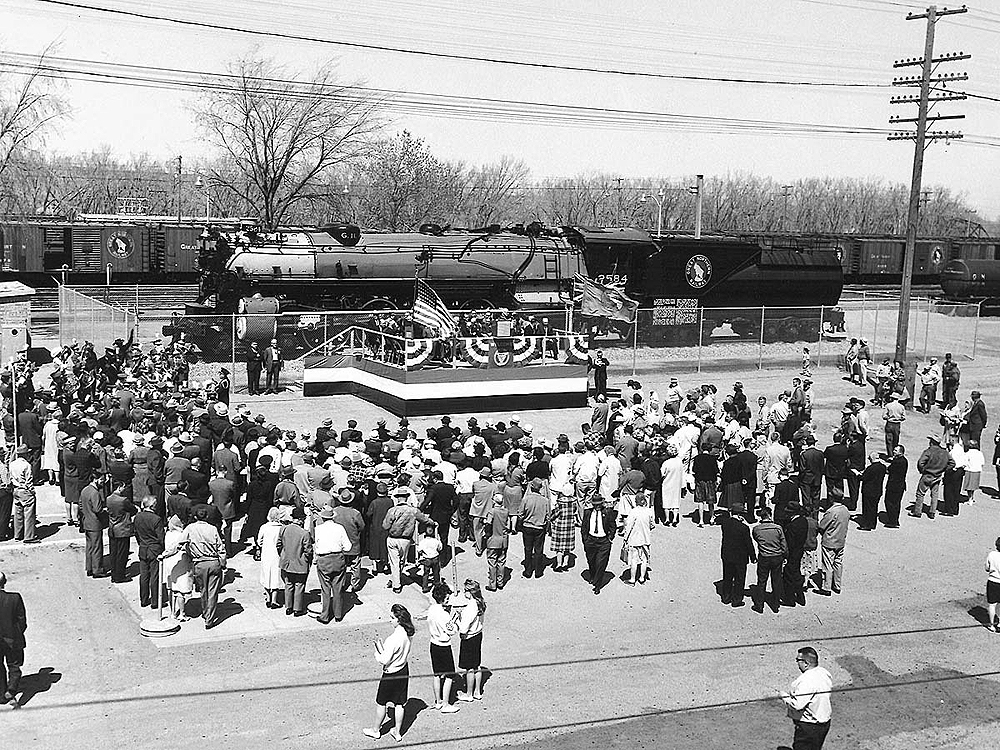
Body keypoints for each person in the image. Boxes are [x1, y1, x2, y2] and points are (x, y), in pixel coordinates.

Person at [363, 603, 415, 742]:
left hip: (391, 673)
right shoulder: (408, 633)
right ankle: (397, 731)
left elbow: (384, 660)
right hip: (403, 669)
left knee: (381, 702)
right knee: (400, 703)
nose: (390, 620)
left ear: (399, 619)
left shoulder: (392, 639)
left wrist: (377, 653)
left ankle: (375, 730)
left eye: (392, 617)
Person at [178, 505, 227, 629]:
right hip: (213, 562)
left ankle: (206, 612)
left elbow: (180, 543)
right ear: (207, 517)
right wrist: (223, 563)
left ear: (195, 517)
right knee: (213, 592)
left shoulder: (190, 528)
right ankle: (209, 617)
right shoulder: (213, 529)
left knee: (203, 590)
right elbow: (220, 547)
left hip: (199, 563)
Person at [779, 646, 833, 750]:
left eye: (798, 660)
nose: (797, 663)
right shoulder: (824, 673)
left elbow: (797, 705)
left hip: (809, 726)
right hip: (824, 723)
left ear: (806, 663)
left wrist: (784, 697)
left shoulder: (806, 680)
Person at [313, 506, 352, 624]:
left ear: (323, 517)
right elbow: (348, 546)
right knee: (338, 588)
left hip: (324, 559)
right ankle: (338, 614)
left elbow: (316, 544)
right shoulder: (340, 528)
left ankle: (325, 615)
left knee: (325, 589)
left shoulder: (318, 529)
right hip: (338, 558)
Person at [427, 582, 460, 713]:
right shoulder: (444, 614)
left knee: (437, 674)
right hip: (444, 645)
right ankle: (446, 704)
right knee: (450, 675)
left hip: (433, 643)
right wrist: (455, 621)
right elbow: (451, 631)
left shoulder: (432, 609)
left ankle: (438, 701)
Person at [276, 511, 313, 617]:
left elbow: (278, 545)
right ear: (300, 519)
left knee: (288, 584)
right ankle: (297, 608)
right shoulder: (304, 533)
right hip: (300, 563)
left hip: (286, 562)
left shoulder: (284, 529)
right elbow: (308, 551)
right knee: (299, 585)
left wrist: (283, 555)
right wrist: (306, 560)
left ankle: (288, 607)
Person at [719, 505, 756, 607]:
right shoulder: (744, 528)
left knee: (727, 576)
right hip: (740, 557)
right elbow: (748, 544)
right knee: (739, 579)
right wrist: (753, 556)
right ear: (740, 515)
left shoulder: (725, 524)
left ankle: (726, 597)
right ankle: (737, 600)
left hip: (727, 555)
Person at [911, 434, 954, 519]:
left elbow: (921, 462)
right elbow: (952, 463)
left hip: (927, 474)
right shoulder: (945, 452)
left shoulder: (929, 451)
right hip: (937, 476)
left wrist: (922, 470)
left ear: (932, 442)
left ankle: (917, 511)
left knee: (920, 494)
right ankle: (932, 512)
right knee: (934, 494)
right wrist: (943, 469)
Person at [0, 571, 27, 707]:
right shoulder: (14, 598)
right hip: (12, 639)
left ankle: (1, 694)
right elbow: (22, 620)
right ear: (4, 582)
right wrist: (17, 633)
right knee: (14, 665)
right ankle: (11, 690)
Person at [456, 579, 486, 702]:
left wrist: (459, 619)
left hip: (469, 637)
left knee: (469, 668)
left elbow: (463, 629)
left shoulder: (470, 607)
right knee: (476, 665)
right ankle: (477, 691)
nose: (464, 593)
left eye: (465, 591)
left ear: (470, 592)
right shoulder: (480, 603)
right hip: (478, 634)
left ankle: (469, 694)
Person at [581, 495, 617, 594]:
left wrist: (610, 538)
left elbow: (613, 526)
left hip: (603, 541)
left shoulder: (608, 512)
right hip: (591, 541)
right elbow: (584, 527)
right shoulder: (588, 513)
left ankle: (597, 585)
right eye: (595, 504)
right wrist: (585, 540)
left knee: (601, 563)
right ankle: (593, 575)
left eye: (599, 504)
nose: (597, 506)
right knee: (591, 561)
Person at [134, 495, 165, 609]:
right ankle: (155, 601)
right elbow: (161, 537)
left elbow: (136, 533)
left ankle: (144, 599)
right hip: (154, 550)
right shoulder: (156, 519)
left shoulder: (138, 517)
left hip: (143, 549)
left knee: (144, 575)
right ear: (152, 506)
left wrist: (141, 544)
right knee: (155, 576)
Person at [161, 516, 193, 620]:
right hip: (181, 562)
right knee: (180, 590)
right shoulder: (182, 535)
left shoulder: (168, 534)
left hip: (169, 562)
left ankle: (173, 612)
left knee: (171, 588)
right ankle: (182, 614)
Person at [816, 498, 850, 596]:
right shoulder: (845, 510)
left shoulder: (831, 511)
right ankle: (837, 585)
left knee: (827, 565)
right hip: (840, 541)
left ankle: (826, 587)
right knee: (838, 563)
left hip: (830, 541)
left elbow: (822, 526)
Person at [106, 478, 136, 583]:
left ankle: (114, 574)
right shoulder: (123, 500)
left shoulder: (108, 499)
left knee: (113, 553)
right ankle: (120, 575)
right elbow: (133, 510)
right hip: (123, 529)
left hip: (112, 529)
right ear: (119, 487)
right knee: (122, 554)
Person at [519, 477, 550, 579]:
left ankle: (528, 570)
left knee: (528, 549)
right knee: (539, 550)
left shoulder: (526, 499)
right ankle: (538, 571)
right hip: (540, 527)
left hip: (527, 526)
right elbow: (548, 516)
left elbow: (520, 514)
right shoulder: (545, 501)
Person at [622, 491, 655, 585]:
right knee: (644, 559)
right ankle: (642, 578)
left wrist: (625, 538)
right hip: (646, 539)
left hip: (634, 539)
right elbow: (652, 525)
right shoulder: (649, 511)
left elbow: (628, 526)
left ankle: (632, 579)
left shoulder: (633, 512)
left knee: (634, 559)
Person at [79, 471, 108, 577]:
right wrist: (104, 511)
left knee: (89, 547)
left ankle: (89, 567)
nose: (103, 482)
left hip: (86, 521)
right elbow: (98, 509)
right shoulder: (95, 493)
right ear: (96, 480)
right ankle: (97, 570)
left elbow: (81, 505)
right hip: (95, 523)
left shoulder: (85, 490)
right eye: (101, 480)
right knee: (97, 547)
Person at [257, 507, 284, 608]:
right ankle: (274, 600)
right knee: (275, 576)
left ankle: (268, 598)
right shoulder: (281, 527)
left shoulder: (264, 527)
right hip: (277, 554)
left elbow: (259, 541)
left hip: (266, 553)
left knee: (266, 575)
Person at [10, 446, 37, 544]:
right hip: (25, 490)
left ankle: (18, 534)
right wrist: (32, 491)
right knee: (29, 514)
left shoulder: (12, 464)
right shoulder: (26, 465)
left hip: (16, 489)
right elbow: (29, 480)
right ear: (25, 454)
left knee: (18, 513)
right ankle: (29, 536)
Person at [548, 487, 578, 572]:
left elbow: (556, 514)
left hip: (560, 526)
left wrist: (551, 519)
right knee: (567, 548)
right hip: (570, 526)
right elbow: (575, 511)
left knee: (559, 547)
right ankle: (565, 563)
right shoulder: (574, 502)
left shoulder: (560, 503)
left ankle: (559, 564)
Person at [484, 494, 509, 591]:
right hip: (503, 540)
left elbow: (488, 524)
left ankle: (492, 584)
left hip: (493, 539)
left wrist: (487, 535)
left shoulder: (492, 511)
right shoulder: (506, 511)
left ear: (494, 501)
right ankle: (500, 582)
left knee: (492, 562)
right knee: (501, 561)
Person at [858, 453, 888, 531]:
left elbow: (864, 478)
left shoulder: (871, 468)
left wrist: (858, 474)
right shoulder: (883, 467)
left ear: (872, 459)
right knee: (874, 508)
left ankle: (866, 524)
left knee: (867, 508)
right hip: (877, 490)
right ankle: (872, 523)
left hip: (869, 490)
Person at [883, 446, 907, 528]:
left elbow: (889, 470)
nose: (893, 451)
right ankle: (895, 519)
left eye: (896, 450)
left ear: (900, 452)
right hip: (900, 485)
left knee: (890, 502)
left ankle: (892, 520)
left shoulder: (897, 462)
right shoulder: (904, 460)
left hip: (894, 485)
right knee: (896, 503)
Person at [417, 523, 443, 593]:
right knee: (436, 572)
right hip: (435, 558)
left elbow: (419, 550)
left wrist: (422, 553)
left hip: (427, 559)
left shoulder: (422, 542)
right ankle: (437, 584)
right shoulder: (436, 541)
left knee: (426, 573)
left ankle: (425, 587)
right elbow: (440, 548)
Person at [986, 537, 1000, 632]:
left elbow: (987, 568)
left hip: (993, 581)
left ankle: (991, 625)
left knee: (992, 604)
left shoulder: (992, 554)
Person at [964, 439, 985, 503]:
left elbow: (965, 462)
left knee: (968, 486)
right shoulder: (980, 453)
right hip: (977, 470)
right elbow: (982, 462)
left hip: (969, 470)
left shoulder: (968, 453)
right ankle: (971, 497)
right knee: (973, 486)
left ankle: (970, 498)